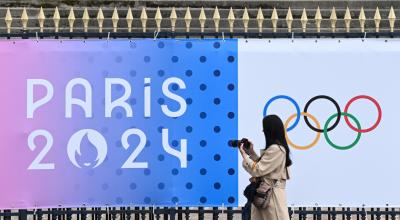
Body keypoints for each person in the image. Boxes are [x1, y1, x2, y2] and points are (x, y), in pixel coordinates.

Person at [239, 114, 292, 220]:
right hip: (266, 195)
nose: (263, 131)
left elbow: (258, 170)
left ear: (270, 130)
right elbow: (264, 167)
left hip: (271, 197)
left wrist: (244, 155)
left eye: (265, 128)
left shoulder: (276, 149)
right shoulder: (276, 148)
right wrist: (251, 153)